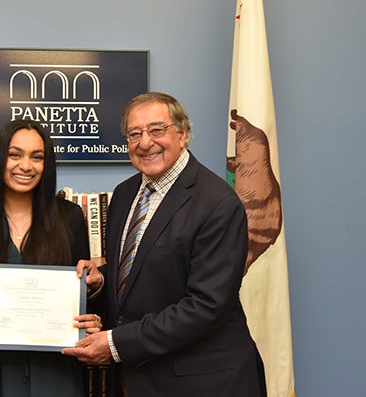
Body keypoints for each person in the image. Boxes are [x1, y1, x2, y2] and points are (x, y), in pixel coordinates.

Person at [62, 92, 266, 397]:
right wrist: (101, 278)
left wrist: (116, 343)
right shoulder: (125, 194)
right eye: (135, 134)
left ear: (183, 134)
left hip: (201, 382)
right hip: (140, 378)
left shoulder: (217, 203)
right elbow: (144, 267)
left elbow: (206, 306)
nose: (145, 142)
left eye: (157, 130)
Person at [0, 119, 103, 397]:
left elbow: (84, 289)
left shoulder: (69, 217)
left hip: (54, 368)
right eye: (15, 154)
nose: (26, 166)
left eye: (37, 157)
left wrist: (93, 290)